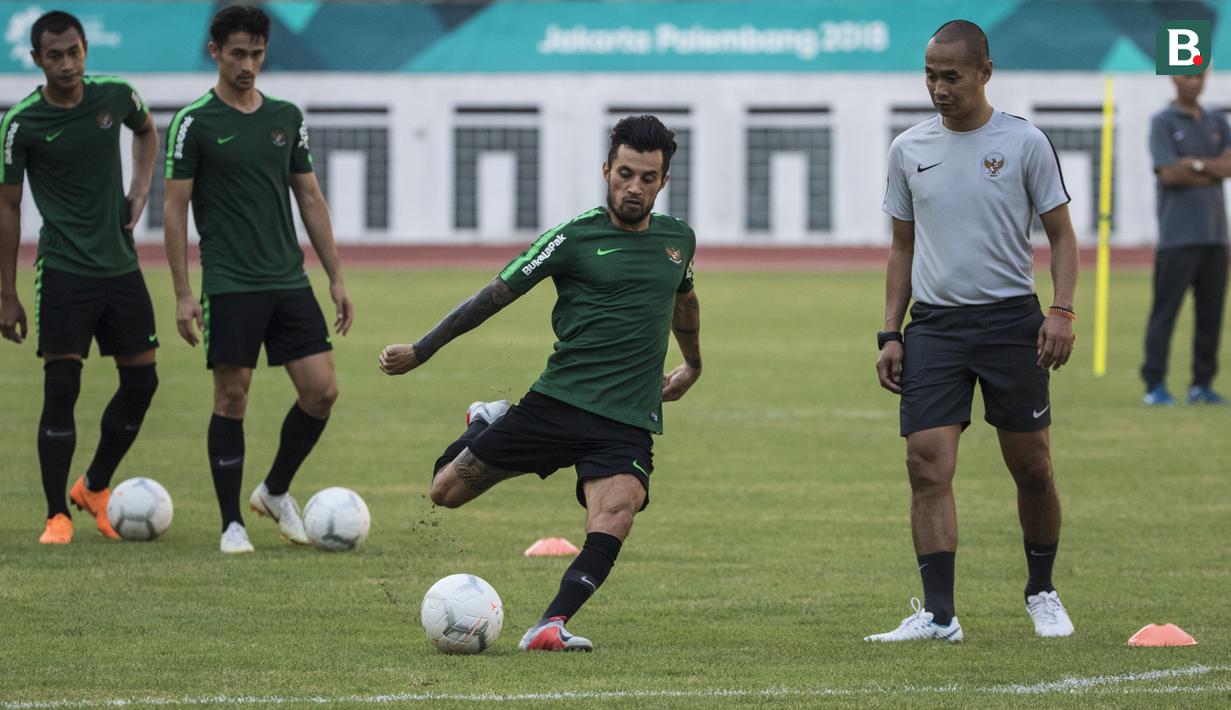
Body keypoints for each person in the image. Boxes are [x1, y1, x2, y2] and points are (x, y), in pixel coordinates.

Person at [379, 115, 701, 652]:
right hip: (557, 405)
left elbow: (684, 301)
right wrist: (421, 350)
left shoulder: (678, 241)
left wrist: (692, 364)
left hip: (625, 419)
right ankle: (488, 420)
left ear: (663, 181)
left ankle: (549, 625)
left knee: (618, 512)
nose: (634, 187)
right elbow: (492, 296)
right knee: (444, 492)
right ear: (606, 170)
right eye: (625, 174)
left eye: (648, 178)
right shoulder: (572, 238)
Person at [869, 20, 1078, 642]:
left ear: (985, 72)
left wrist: (1062, 311)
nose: (939, 88)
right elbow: (901, 247)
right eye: (930, 76)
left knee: (1032, 467)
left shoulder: (1025, 142)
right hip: (935, 327)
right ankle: (939, 615)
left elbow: (1063, 235)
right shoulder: (908, 149)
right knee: (926, 464)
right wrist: (890, 332)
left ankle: (1042, 590)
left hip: (1012, 322)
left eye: (951, 77)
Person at [164, 5, 354, 554]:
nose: (248, 65)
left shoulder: (285, 117)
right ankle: (232, 524)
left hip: (287, 278)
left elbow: (310, 197)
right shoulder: (194, 123)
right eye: (237, 54)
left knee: (322, 392)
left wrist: (335, 276)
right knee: (232, 397)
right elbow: (174, 209)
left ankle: (273, 490)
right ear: (215, 52)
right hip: (230, 281)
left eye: (257, 54)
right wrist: (183, 294)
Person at [0, 11, 160, 544]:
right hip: (64, 270)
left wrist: (140, 189)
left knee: (142, 383)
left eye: (74, 52)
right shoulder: (21, 123)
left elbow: (146, 131)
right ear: (36, 59)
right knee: (62, 387)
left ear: (86, 48)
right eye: (55, 56)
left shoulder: (115, 95)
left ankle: (93, 486)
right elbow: (8, 206)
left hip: (121, 266)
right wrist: (6, 293)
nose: (67, 64)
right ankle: (56, 515)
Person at [1141, 70, 1230, 406]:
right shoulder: (1162, 121)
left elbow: (1229, 167)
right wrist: (1211, 169)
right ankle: (1155, 385)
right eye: (1186, 75)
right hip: (1177, 237)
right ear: (1173, 78)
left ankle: (1202, 385)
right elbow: (1168, 173)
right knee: (1165, 314)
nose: (1194, 82)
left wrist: (1193, 165)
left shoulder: (1217, 121)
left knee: (1211, 316)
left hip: (1216, 236)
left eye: (1199, 75)